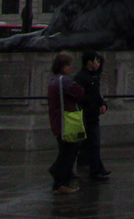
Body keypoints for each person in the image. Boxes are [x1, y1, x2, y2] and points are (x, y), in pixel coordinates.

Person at [46, 51, 85, 194]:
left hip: (57, 120)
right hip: (67, 120)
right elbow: (80, 92)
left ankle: (59, 174)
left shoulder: (53, 80)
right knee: (68, 151)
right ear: (61, 66)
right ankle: (60, 182)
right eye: (68, 65)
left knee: (65, 149)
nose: (70, 68)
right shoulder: (64, 81)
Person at [73, 51, 110, 181]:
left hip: (92, 114)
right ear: (89, 62)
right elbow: (82, 96)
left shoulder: (93, 77)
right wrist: (94, 103)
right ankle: (95, 170)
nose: (98, 64)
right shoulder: (82, 77)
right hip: (86, 115)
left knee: (92, 143)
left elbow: (97, 94)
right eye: (96, 61)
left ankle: (97, 168)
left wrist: (102, 103)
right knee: (92, 143)